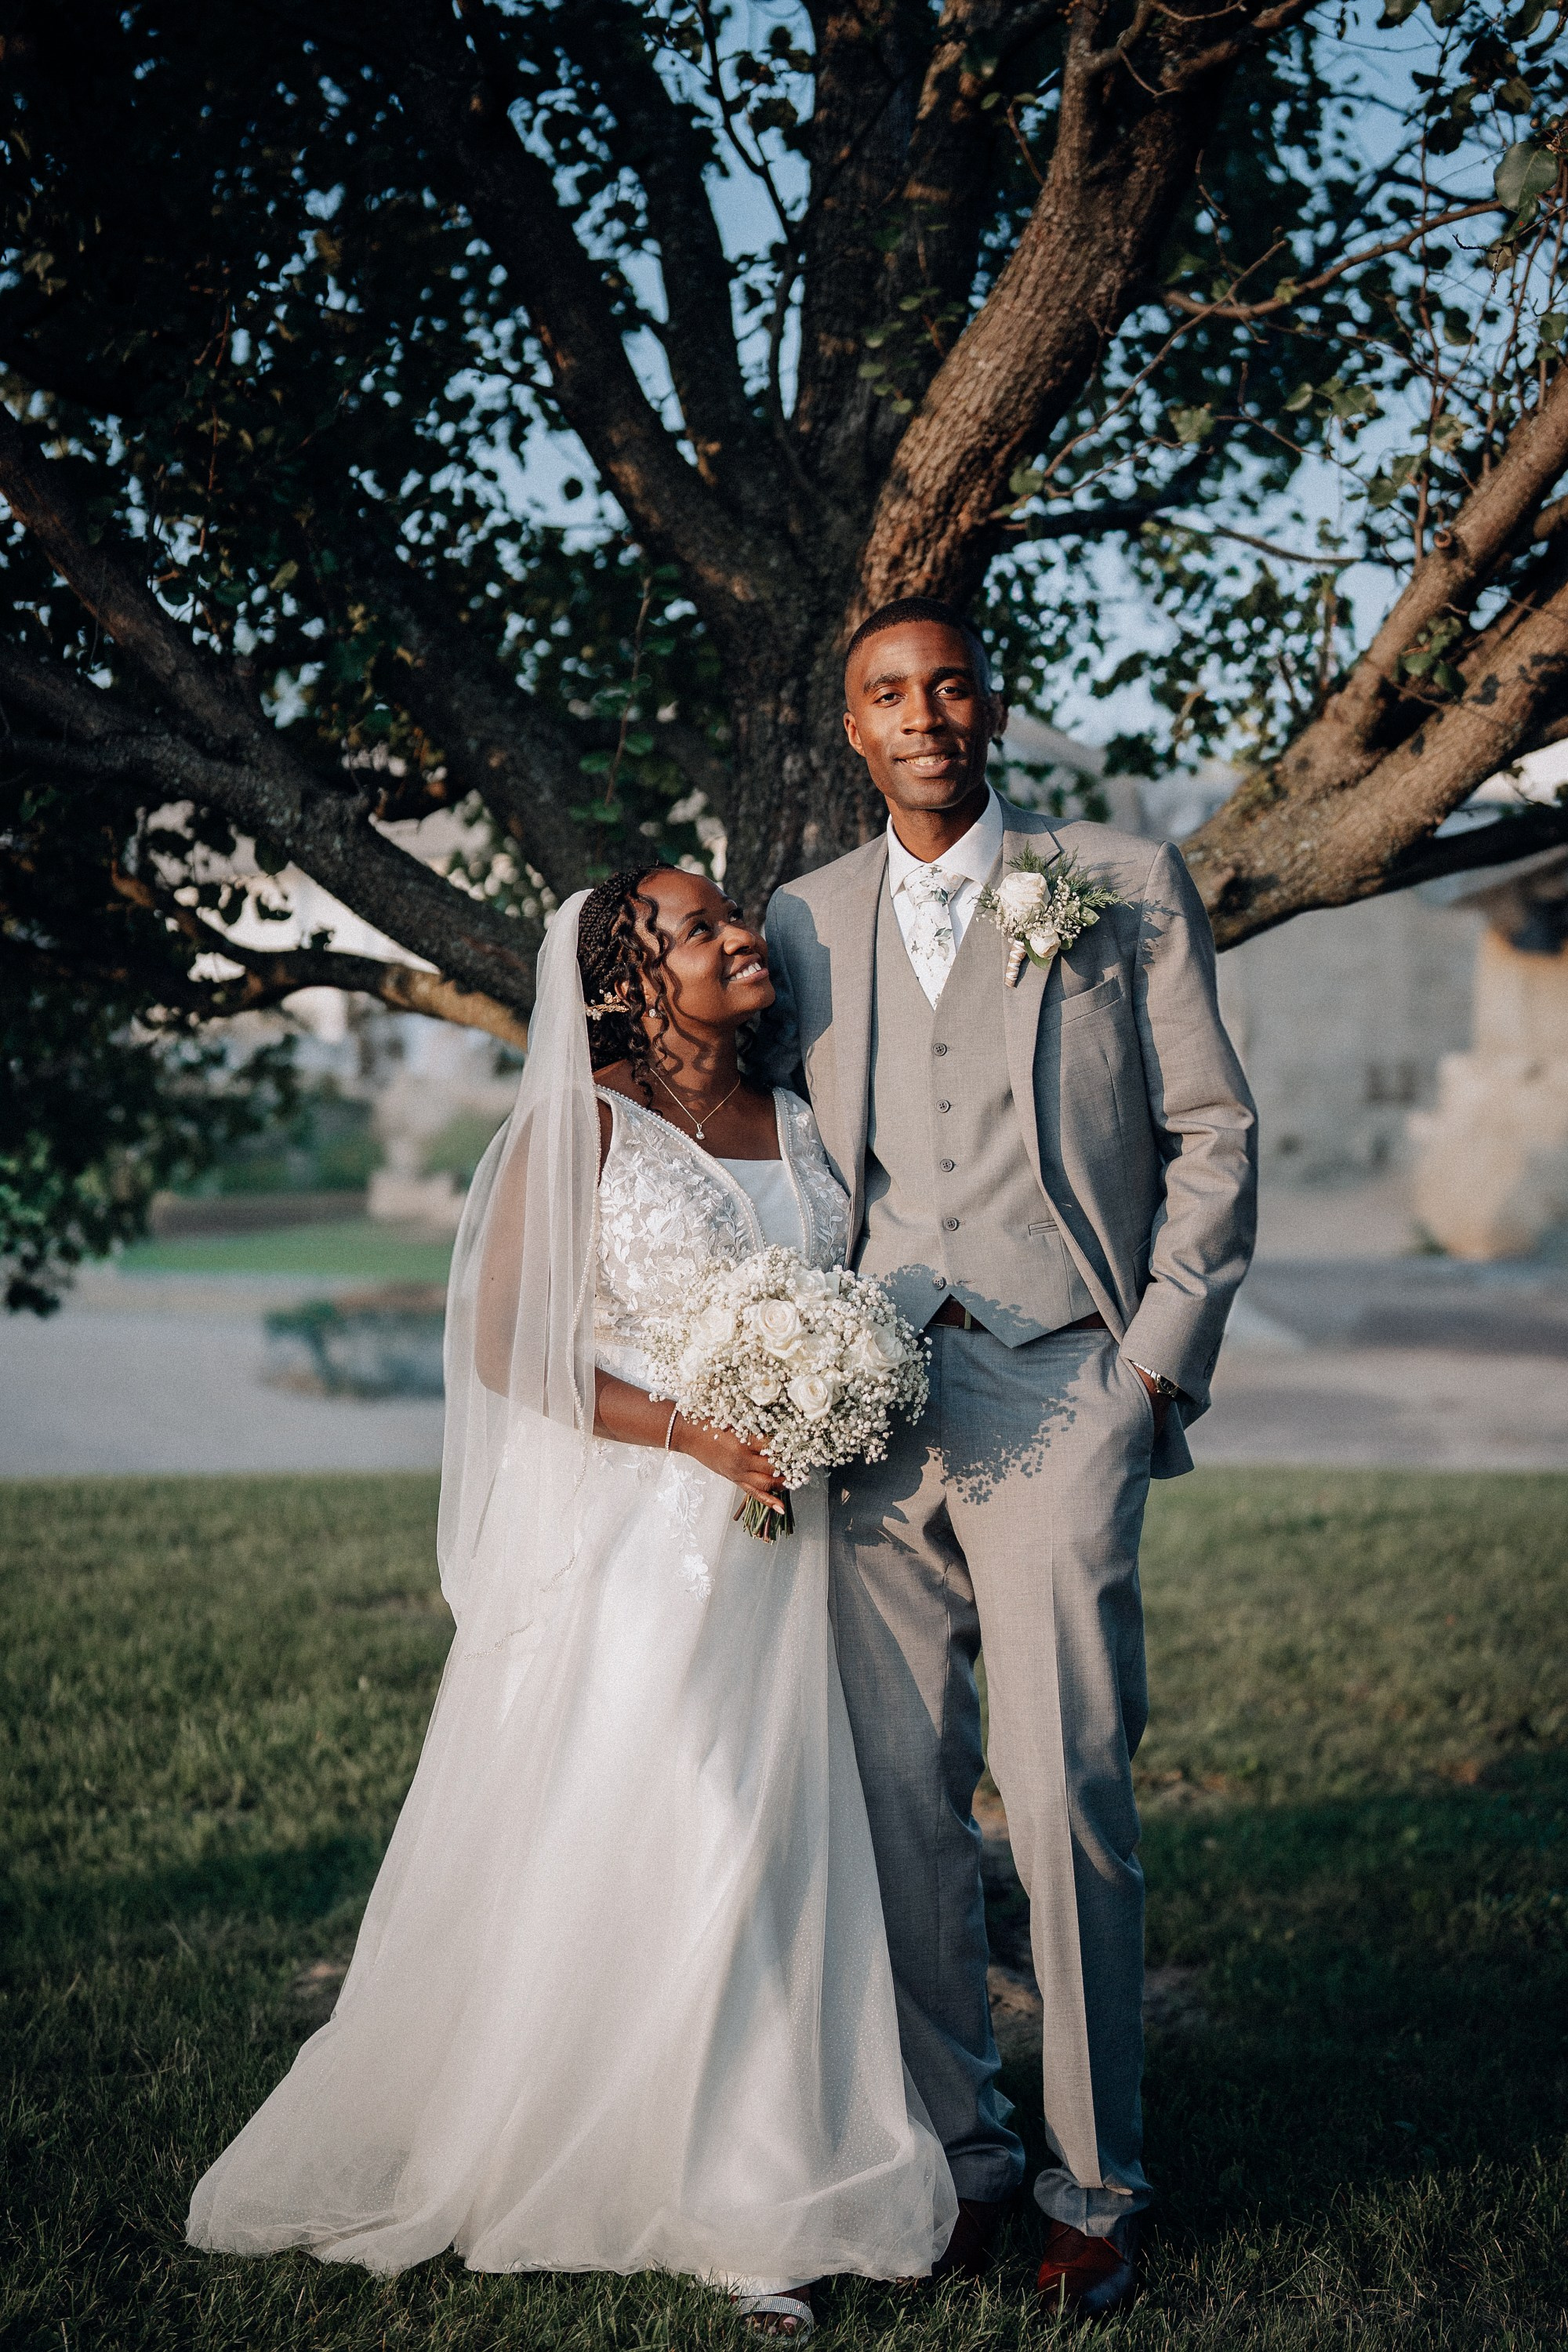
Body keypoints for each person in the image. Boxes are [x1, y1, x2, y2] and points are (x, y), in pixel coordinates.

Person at [187, 868, 956, 2340]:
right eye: (699, 928)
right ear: (624, 978)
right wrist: (703, 1435)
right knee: (694, 1816)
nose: (742, 937)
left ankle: (750, 2178)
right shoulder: (582, 1122)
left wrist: (825, 1393)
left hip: (784, 1548)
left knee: (777, 1839)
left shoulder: (798, 1123)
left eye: (739, 918)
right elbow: (509, 1351)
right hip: (640, 1541)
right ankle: (701, 2190)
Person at [757, 597, 1258, 2320]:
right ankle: (960, 2159)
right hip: (871, 1408)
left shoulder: (1117, 881)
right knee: (900, 1805)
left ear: (989, 704)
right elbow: (784, 1157)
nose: (923, 715)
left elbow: (1212, 1134)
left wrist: (1150, 1364)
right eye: (887, 693)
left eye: (947, 683)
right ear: (852, 727)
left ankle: (1095, 2183)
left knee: (1063, 1797)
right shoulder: (804, 919)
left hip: (1064, 1380)